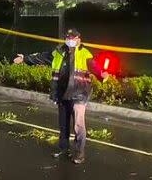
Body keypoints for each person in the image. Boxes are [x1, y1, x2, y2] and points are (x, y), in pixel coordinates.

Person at [14, 28, 107, 164]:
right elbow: (42, 57)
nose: (70, 40)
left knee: (78, 125)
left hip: (79, 95)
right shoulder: (58, 52)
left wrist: (101, 74)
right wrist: (25, 59)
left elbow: (94, 66)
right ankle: (63, 149)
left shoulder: (84, 53)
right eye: (68, 38)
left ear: (79, 40)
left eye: (73, 38)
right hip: (62, 94)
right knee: (63, 125)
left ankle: (79, 153)